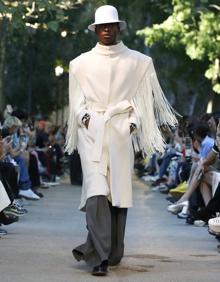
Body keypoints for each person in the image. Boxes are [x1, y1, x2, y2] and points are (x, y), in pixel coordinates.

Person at [65, 5, 177, 276]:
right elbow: (76, 103)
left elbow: (143, 103)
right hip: (92, 133)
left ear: (118, 28)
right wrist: (85, 119)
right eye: (101, 26)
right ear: (95, 29)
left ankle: (108, 250)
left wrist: (132, 124)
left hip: (120, 132)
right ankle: (98, 257)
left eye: (110, 25)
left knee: (116, 192)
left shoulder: (139, 62)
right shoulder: (79, 64)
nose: (106, 29)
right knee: (96, 190)